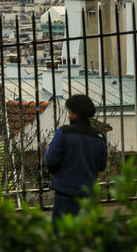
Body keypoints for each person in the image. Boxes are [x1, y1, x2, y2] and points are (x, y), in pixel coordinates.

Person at [44, 93, 108, 224]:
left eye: (69, 112)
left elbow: (50, 159)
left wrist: (57, 172)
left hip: (65, 193)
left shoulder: (64, 132)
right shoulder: (99, 137)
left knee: (62, 236)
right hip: (88, 195)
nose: (68, 116)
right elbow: (102, 166)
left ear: (75, 114)